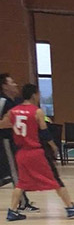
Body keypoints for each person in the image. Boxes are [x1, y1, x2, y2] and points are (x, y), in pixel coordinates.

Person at [2, 84, 74, 221]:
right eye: (38, 93)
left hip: (21, 153)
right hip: (35, 152)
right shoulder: (37, 112)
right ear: (34, 95)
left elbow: (3, 124)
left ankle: (12, 211)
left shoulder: (13, 111)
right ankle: (70, 207)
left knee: (21, 183)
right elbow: (44, 132)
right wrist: (53, 146)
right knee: (55, 179)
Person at [0, 74, 37, 212]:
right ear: (4, 86)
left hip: (17, 141)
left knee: (13, 172)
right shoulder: (2, 102)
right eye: (12, 82)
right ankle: (22, 203)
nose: (15, 84)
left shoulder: (16, 101)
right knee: (15, 172)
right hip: (6, 141)